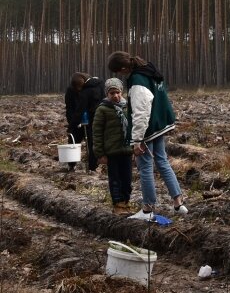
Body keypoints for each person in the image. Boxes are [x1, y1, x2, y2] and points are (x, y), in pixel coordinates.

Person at [106, 51, 187, 218]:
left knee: (145, 167)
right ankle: (179, 204)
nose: (120, 75)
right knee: (163, 162)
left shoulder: (137, 80)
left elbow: (141, 112)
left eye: (118, 72)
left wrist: (137, 140)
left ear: (123, 68)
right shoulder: (149, 70)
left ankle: (148, 209)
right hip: (159, 125)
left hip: (147, 130)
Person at [93, 78, 133, 215]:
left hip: (127, 150)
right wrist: (100, 154)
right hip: (112, 151)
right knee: (115, 179)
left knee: (127, 179)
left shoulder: (128, 106)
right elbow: (97, 133)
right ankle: (118, 203)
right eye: (112, 93)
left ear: (122, 92)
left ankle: (126, 201)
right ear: (107, 94)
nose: (115, 96)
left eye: (117, 92)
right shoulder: (102, 109)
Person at [64, 72, 103, 172]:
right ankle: (71, 165)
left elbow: (82, 108)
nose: (78, 90)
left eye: (79, 87)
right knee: (73, 141)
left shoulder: (92, 88)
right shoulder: (70, 91)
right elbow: (69, 108)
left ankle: (92, 168)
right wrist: (72, 124)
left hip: (91, 120)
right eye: (76, 88)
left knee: (92, 143)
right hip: (76, 120)